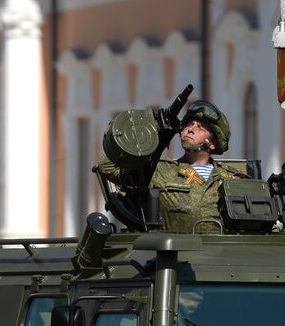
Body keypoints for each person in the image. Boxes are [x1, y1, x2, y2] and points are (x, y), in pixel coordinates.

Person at [96, 100, 246, 234]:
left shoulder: (232, 179)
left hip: (222, 258)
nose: (190, 129)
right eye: (189, 124)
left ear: (213, 143)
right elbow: (106, 167)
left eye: (200, 127)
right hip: (172, 257)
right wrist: (151, 132)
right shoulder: (159, 170)